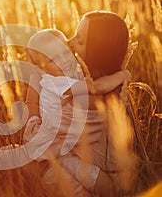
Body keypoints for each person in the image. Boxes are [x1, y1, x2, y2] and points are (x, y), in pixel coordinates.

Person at [23, 11, 133, 196]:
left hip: (99, 176)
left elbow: (97, 87)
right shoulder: (72, 76)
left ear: (98, 52)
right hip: (73, 161)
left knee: (35, 163)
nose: (70, 42)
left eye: (80, 41)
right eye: (74, 34)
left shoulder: (91, 96)